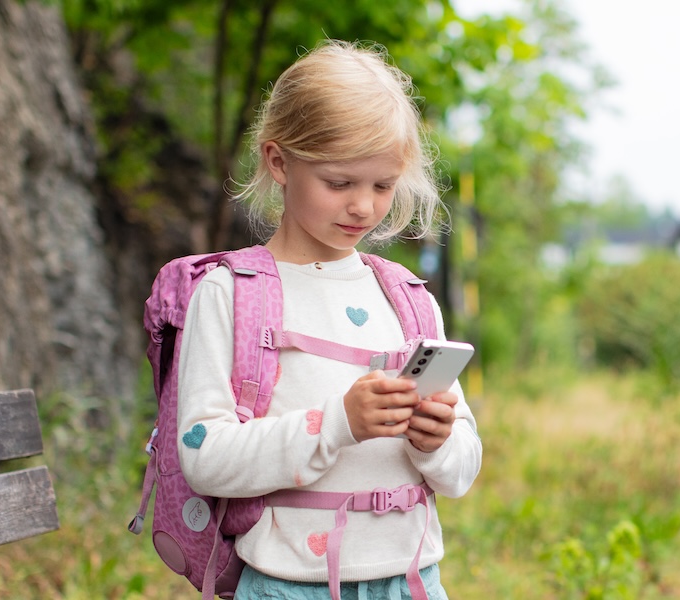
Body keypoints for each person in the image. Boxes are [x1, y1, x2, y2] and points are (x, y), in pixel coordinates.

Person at [176, 40, 482, 600]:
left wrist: (436, 442)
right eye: (340, 183)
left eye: (383, 185)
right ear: (278, 161)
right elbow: (204, 457)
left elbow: (460, 473)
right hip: (288, 585)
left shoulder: (409, 301)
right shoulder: (230, 295)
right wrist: (336, 423)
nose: (363, 206)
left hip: (413, 582)